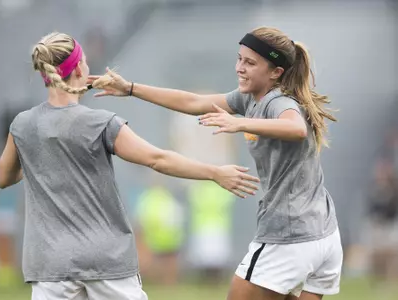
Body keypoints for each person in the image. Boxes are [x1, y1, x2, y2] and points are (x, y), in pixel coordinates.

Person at [0, 31, 259, 300]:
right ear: (77, 69)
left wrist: (38, 158)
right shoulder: (100, 123)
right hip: (105, 260)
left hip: (50, 264)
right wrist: (214, 172)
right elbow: (158, 159)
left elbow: (3, 178)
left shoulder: (22, 125)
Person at [89, 26, 343, 300]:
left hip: (290, 235)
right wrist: (130, 88)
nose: (240, 68)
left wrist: (240, 122)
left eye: (250, 62)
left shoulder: (277, 101)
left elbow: (296, 128)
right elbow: (193, 101)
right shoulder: (250, 98)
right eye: (240, 59)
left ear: (275, 73)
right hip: (323, 233)